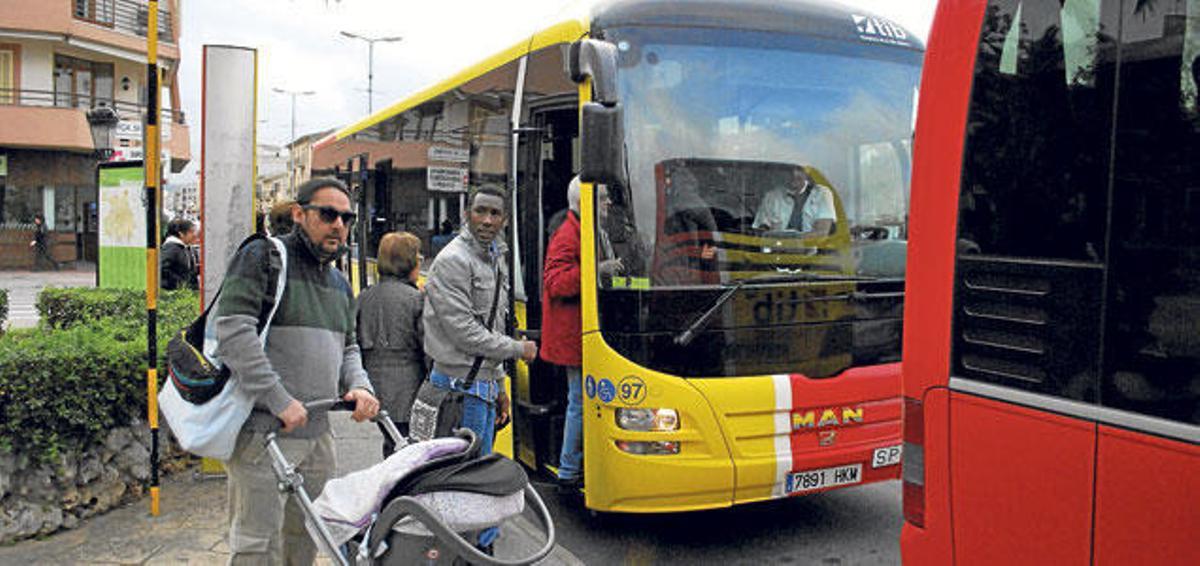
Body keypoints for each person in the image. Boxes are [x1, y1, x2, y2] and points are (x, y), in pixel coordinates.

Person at [215, 177, 380, 565]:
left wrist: (360, 385)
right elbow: (234, 334)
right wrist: (278, 399)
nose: (338, 224)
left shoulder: (340, 282)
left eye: (346, 217)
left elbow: (349, 347)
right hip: (263, 433)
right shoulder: (264, 258)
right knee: (257, 542)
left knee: (306, 535)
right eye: (327, 214)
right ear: (299, 215)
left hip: (318, 435)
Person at [422, 185, 537, 552]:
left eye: (495, 214)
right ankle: (470, 554)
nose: (487, 220)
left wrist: (500, 382)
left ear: (505, 220)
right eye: (481, 211)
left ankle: (478, 551)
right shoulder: (453, 260)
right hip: (459, 391)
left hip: (481, 389)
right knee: (467, 488)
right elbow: (464, 332)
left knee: (479, 484)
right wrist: (517, 350)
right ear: (467, 214)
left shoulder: (494, 259)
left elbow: (494, 323)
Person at [542, 177, 621, 494]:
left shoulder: (588, 229)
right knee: (580, 402)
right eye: (603, 199)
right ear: (585, 202)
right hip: (573, 335)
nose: (609, 204)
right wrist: (598, 270)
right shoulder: (567, 234)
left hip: (583, 331)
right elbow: (556, 283)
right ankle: (569, 472)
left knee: (583, 401)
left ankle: (576, 466)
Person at [356, 231, 425, 458]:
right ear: (409, 262)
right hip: (410, 387)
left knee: (392, 444)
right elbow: (429, 348)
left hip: (375, 385)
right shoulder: (416, 299)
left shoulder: (365, 297)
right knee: (408, 450)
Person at [751, 167, 837, 237]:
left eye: (799, 169)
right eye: (789, 169)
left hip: (812, 255)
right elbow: (761, 230)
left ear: (807, 172)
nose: (794, 173)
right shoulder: (772, 196)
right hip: (775, 252)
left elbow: (821, 232)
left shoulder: (822, 193)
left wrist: (792, 242)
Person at [161, 218, 198, 290]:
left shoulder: (188, 248)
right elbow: (163, 270)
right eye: (191, 232)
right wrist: (181, 283)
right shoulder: (170, 249)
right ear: (181, 234)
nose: (194, 235)